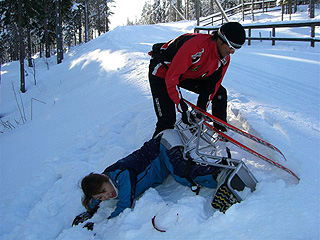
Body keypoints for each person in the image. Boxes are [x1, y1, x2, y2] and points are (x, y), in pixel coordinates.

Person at [72, 132, 222, 230]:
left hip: (163, 145)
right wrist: (90, 210)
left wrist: (100, 224)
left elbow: (124, 204)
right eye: (101, 198)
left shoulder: (121, 176)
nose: (106, 197)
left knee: (181, 174)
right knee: (178, 171)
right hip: (161, 151)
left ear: (105, 178)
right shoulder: (107, 180)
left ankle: (218, 175)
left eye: (104, 192)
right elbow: (95, 196)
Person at [148, 22, 246, 137]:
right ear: (220, 40)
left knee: (220, 92)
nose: (232, 52)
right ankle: (154, 151)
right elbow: (172, 78)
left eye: (236, 49)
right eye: (231, 47)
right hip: (162, 72)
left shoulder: (224, 60)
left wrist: (200, 112)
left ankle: (220, 132)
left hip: (186, 74)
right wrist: (182, 107)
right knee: (167, 121)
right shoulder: (196, 47)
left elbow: (212, 86)